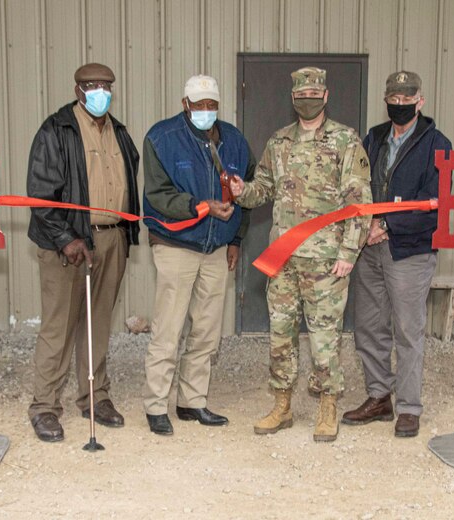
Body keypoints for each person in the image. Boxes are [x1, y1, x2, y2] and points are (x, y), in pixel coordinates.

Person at [230, 67, 371, 442]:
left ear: (325, 97)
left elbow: (359, 201)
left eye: (313, 95)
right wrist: (240, 190)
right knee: (280, 335)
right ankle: (282, 405)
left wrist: (348, 252)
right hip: (283, 259)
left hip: (326, 261)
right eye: (300, 96)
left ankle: (328, 405)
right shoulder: (278, 142)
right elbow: (262, 189)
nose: (307, 101)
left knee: (324, 337)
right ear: (293, 100)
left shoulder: (345, 140)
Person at [25, 63, 140, 442]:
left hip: (112, 238)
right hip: (69, 244)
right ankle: (44, 406)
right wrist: (65, 238)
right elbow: (40, 195)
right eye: (92, 86)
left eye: (106, 86)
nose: (100, 92)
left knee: (98, 323)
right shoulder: (56, 130)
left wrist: (127, 231)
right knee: (59, 326)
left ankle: (95, 396)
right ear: (78, 90)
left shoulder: (119, 132)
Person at [142, 75, 256, 436]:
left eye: (212, 105)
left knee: (207, 330)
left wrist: (235, 239)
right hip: (177, 246)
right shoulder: (161, 139)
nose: (206, 111)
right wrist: (198, 205)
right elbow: (157, 196)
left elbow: (248, 193)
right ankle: (156, 405)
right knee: (169, 328)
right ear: (184, 104)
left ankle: (192, 401)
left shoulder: (234, 141)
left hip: (216, 248)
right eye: (199, 104)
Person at [341, 71, 451, 438]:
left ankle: (408, 407)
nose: (400, 105)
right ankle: (378, 396)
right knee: (368, 327)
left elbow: (436, 203)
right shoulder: (372, 139)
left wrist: (385, 225)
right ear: (386, 100)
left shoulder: (438, 144)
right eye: (394, 99)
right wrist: (365, 228)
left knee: (407, 329)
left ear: (421, 101)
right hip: (369, 249)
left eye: (407, 99)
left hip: (410, 249)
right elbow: (357, 188)